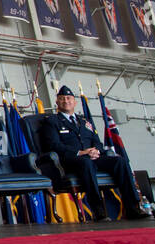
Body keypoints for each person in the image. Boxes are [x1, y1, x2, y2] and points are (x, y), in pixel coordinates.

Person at [38, 86, 146, 221]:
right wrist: (80, 152)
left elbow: (98, 142)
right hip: (71, 160)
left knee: (120, 161)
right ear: (57, 103)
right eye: (62, 99)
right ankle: (98, 210)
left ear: (74, 102)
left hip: (92, 157)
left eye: (68, 98)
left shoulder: (85, 122)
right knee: (86, 162)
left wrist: (97, 151)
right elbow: (54, 145)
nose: (66, 101)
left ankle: (133, 208)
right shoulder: (52, 121)